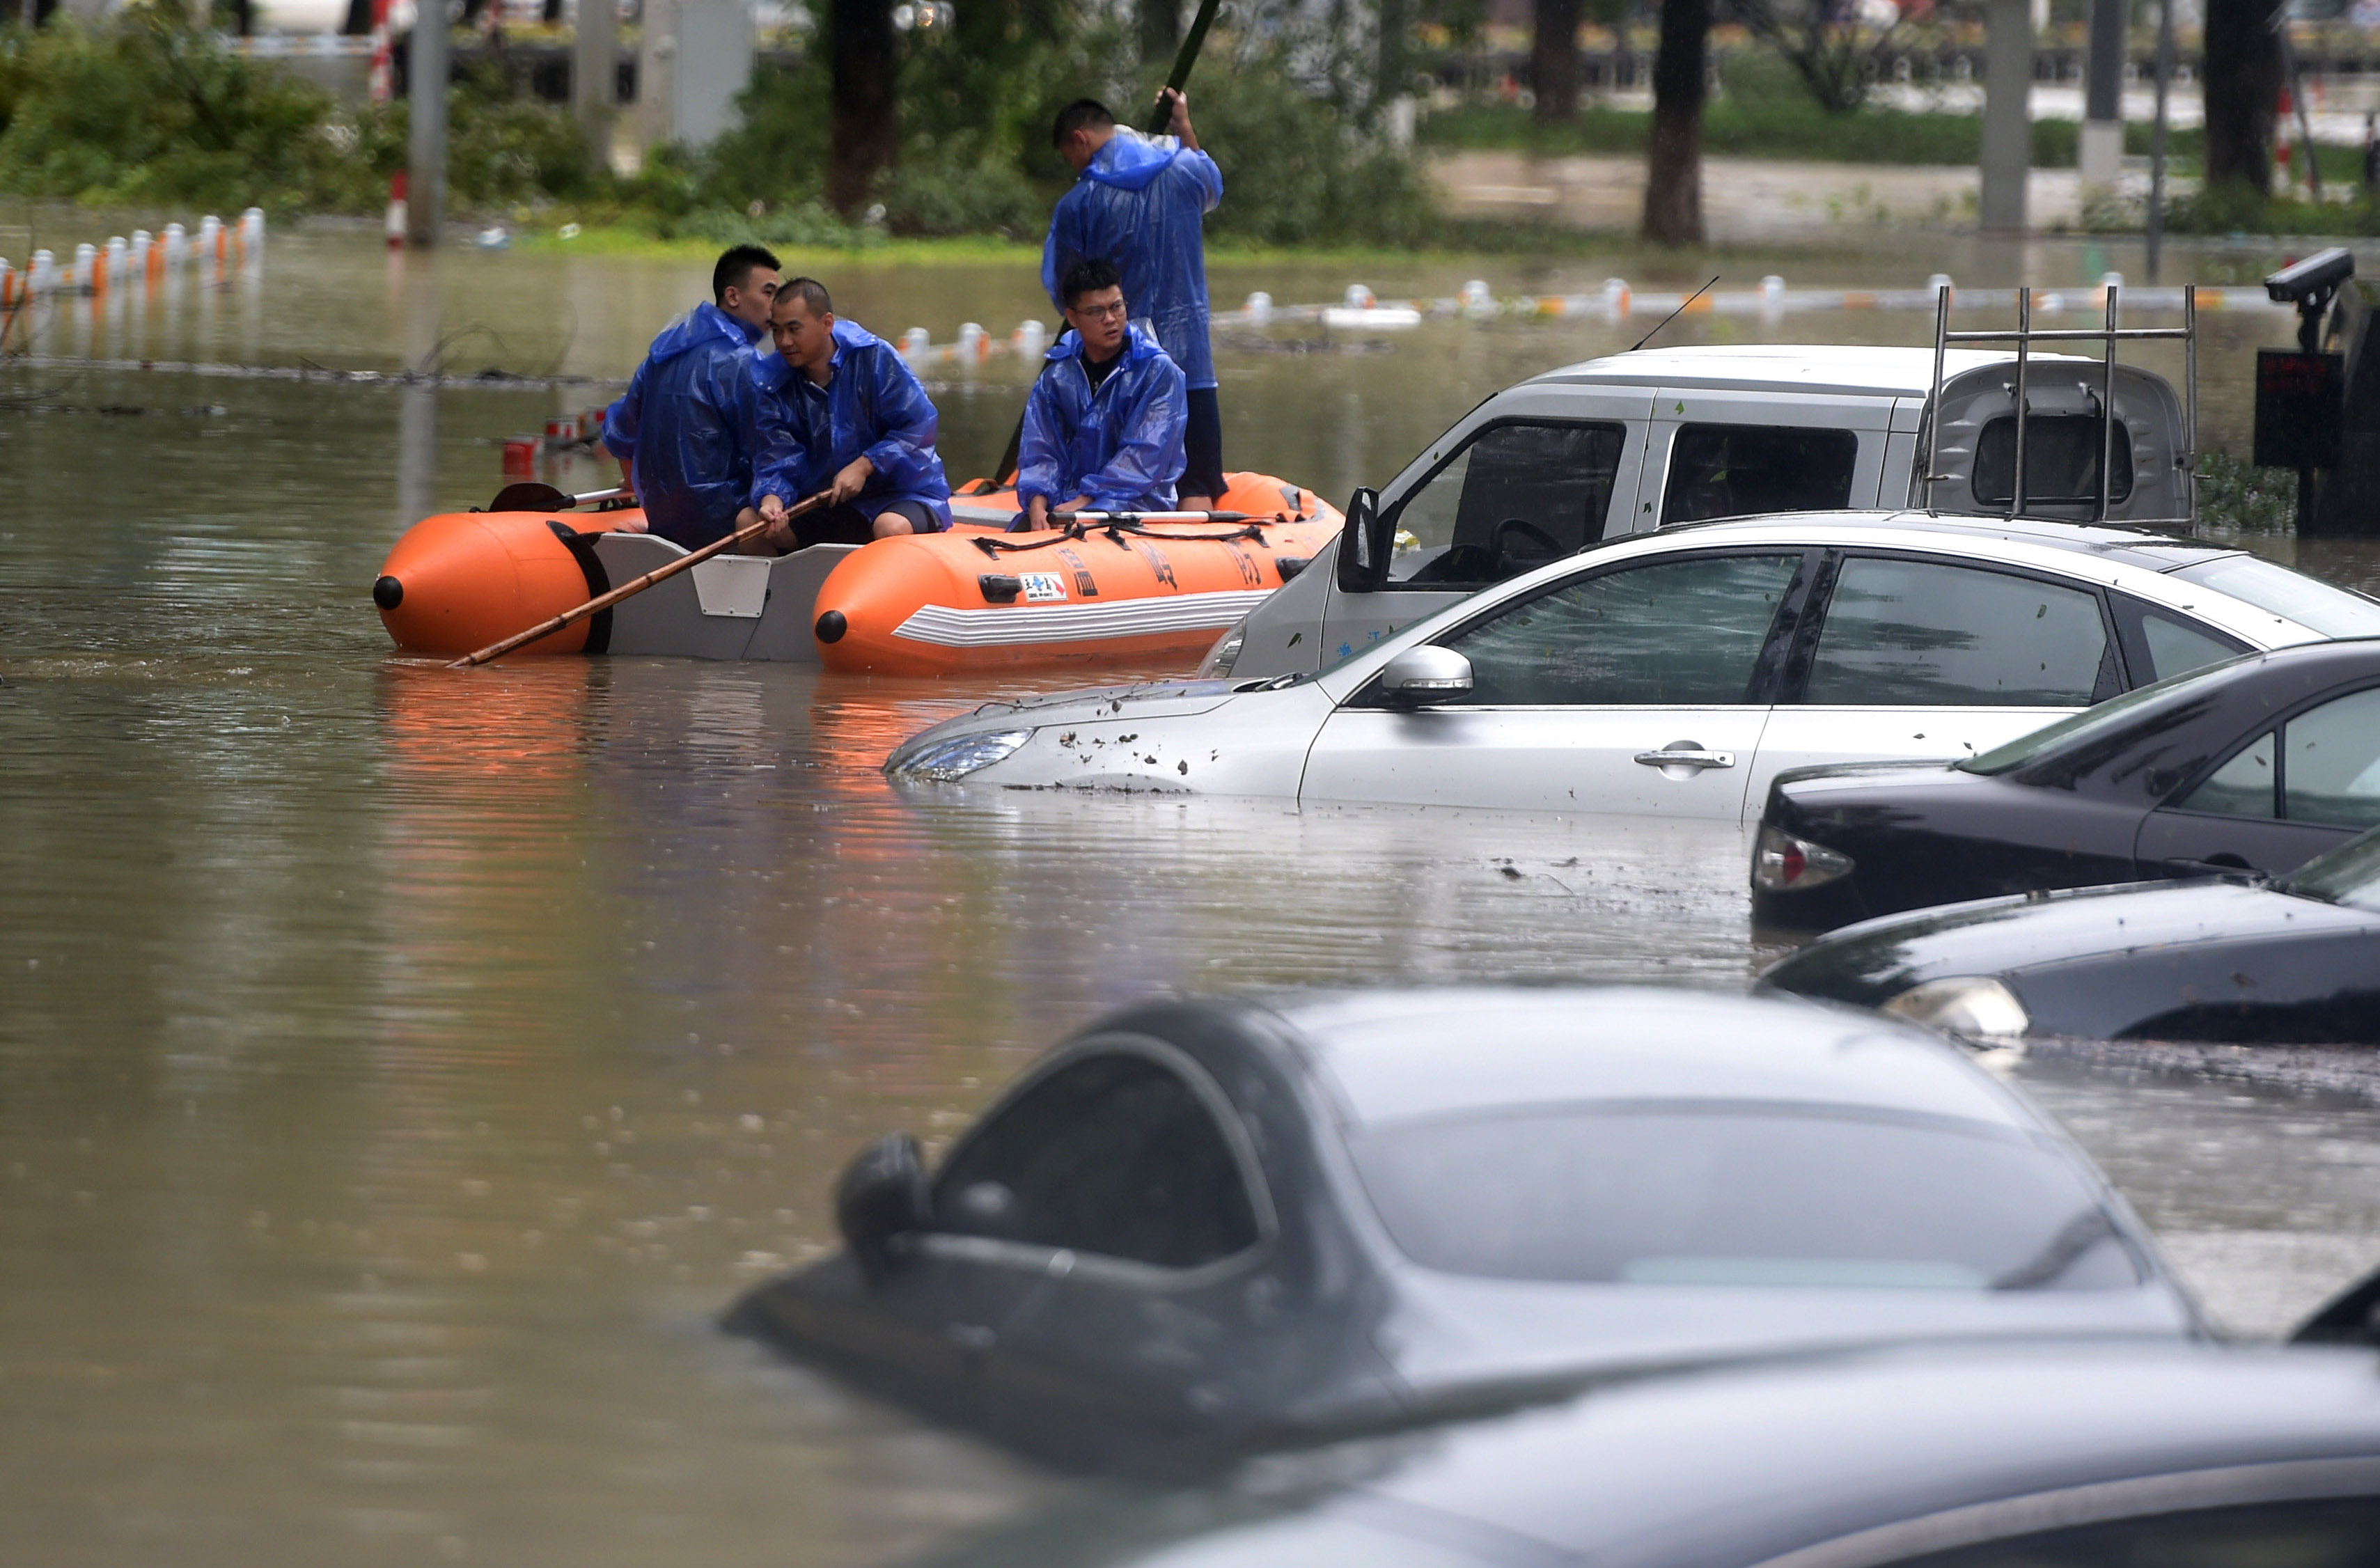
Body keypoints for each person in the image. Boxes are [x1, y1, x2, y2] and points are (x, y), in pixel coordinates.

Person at [1042, 90, 1223, 511]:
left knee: (1114, 479)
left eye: (1070, 157)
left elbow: (1065, 286)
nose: (1074, 167)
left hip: (1120, 370)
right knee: (1196, 485)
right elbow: (1211, 188)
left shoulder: (1080, 203)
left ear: (1080, 139)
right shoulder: (1184, 170)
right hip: (1191, 359)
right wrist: (1184, 128)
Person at [742, 278, 952, 552]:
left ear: (827, 323)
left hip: (898, 494)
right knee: (749, 523)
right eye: (777, 331)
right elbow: (778, 455)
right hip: (826, 501)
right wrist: (772, 499)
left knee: (889, 527)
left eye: (794, 329)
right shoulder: (772, 382)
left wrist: (866, 465)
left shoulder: (874, 358)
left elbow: (918, 426)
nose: (784, 342)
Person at [602, 244, 780, 549]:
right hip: (725, 522)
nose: (776, 306)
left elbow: (622, 432)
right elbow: (772, 448)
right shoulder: (746, 363)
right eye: (769, 293)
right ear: (733, 296)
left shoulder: (661, 354)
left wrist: (632, 483)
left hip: (664, 521)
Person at [1017, 258, 1187, 531]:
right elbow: (1041, 449)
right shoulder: (1056, 378)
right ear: (1072, 318)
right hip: (1069, 502)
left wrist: (1087, 500)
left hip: (1138, 503)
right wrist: (1037, 504)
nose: (1110, 319)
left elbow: (1146, 453)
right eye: (1096, 311)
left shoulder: (1158, 372)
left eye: (1116, 307)